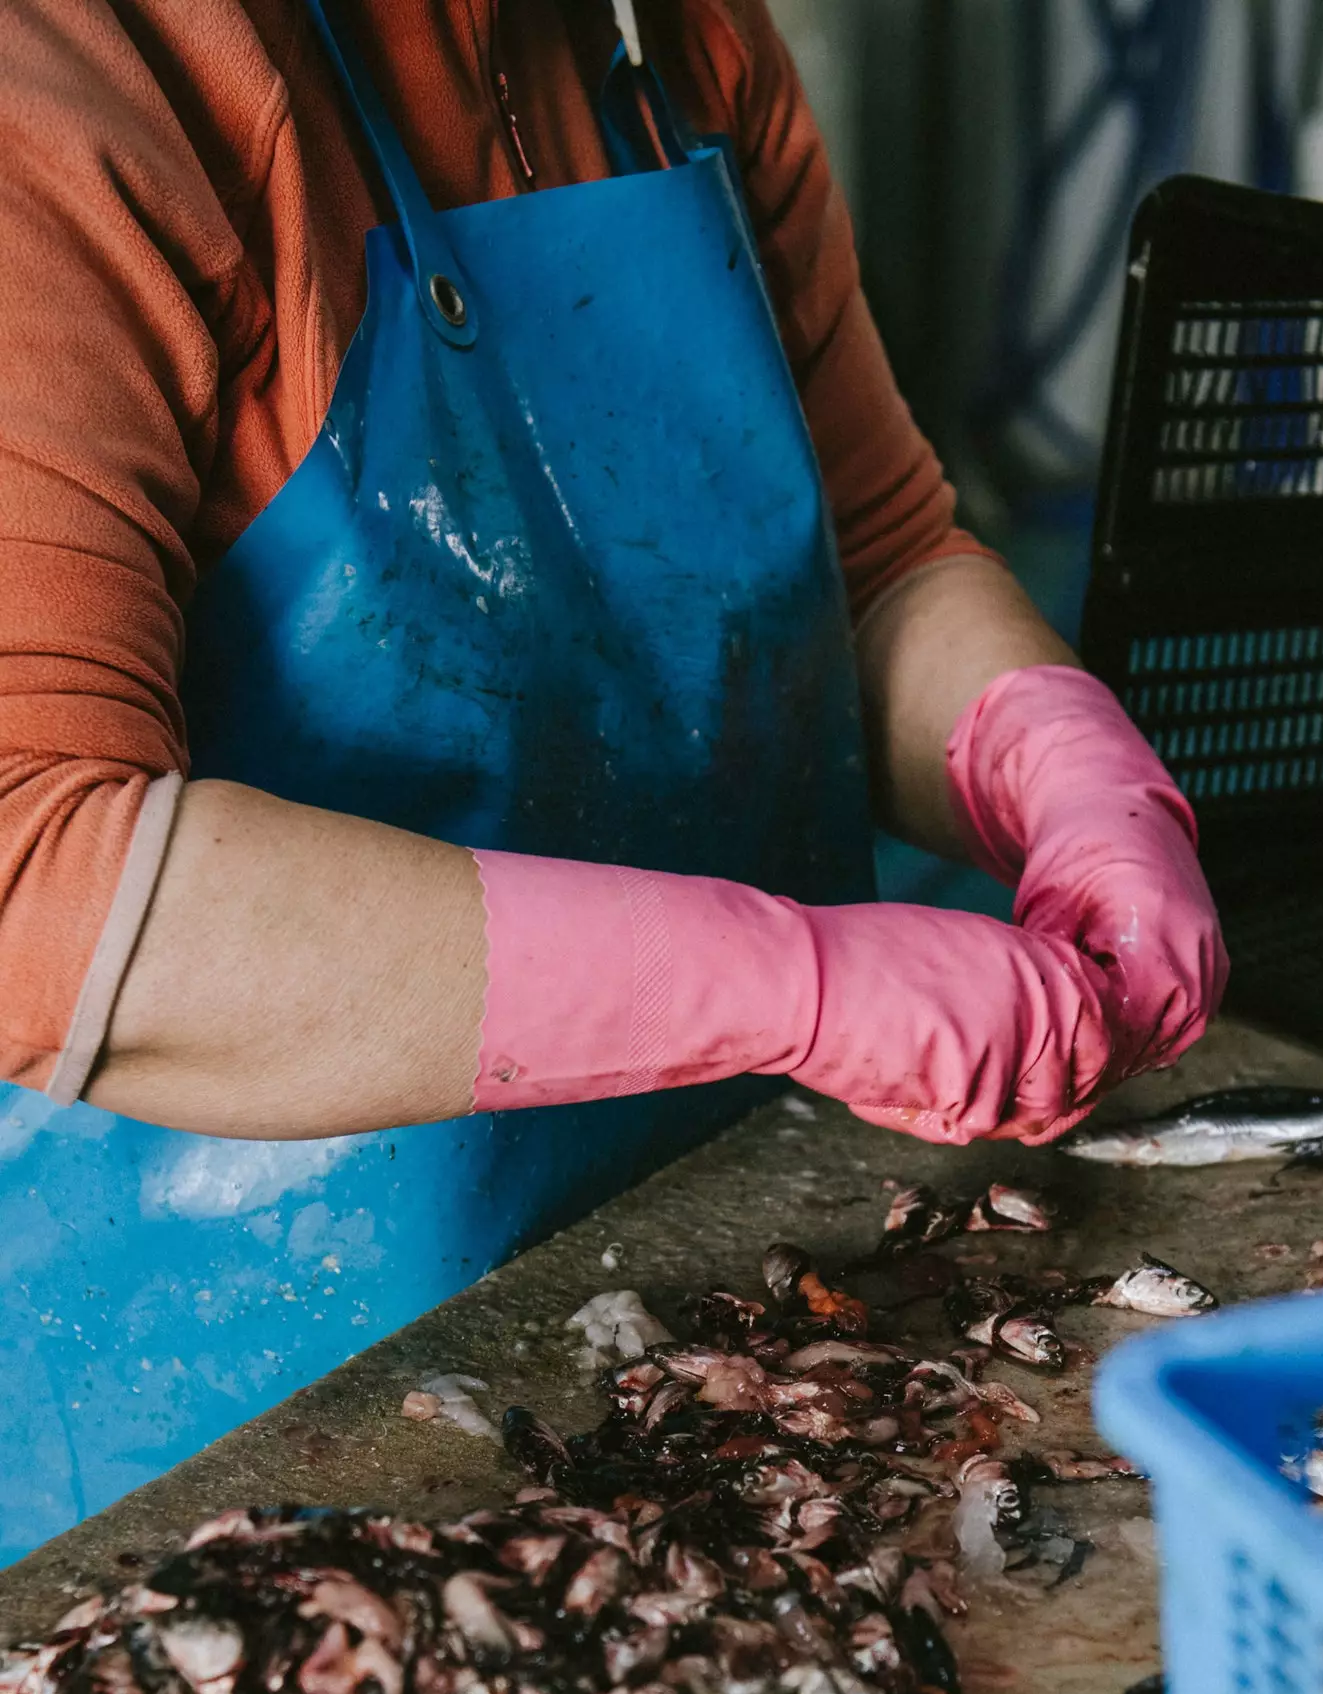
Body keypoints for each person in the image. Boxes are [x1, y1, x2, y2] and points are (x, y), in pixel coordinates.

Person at [0, 0, 1225, 1557]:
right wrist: (799, 985)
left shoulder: (674, 39)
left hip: (726, 1294)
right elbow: (35, 870)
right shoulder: (75, 86)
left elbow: (880, 556)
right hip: (239, 1430)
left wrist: (1056, 762)